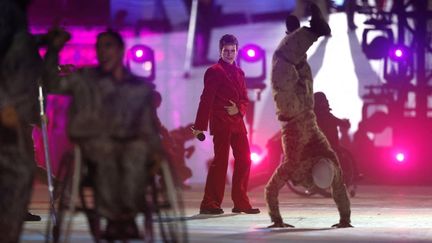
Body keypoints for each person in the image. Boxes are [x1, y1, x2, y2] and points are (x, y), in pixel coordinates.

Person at [44, 30, 165, 239]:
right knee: (106, 151)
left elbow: (147, 124)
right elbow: (51, 83)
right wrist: (54, 50)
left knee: (136, 152)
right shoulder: (85, 78)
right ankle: (114, 218)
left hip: (129, 142)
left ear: (120, 50)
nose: (102, 52)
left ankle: (127, 215)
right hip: (94, 141)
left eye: (107, 46)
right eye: (98, 47)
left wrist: (156, 152)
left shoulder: (138, 87)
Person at [265, 6, 352, 228]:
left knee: (297, 66)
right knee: (282, 60)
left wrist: (345, 219)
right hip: (292, 111)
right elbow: (271, 189)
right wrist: (277, 220)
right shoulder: (311, 162)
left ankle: (295, 36)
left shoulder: (327, 157)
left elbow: (339, 189)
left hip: (306, 107)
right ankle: (313, 32)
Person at [192, 34, 260, 215]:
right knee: (220, 162)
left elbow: (245, 99)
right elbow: (206, 100)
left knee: (245, 159)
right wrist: (199, 125)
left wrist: (238, 109)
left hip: (237, 123)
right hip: (221, 123)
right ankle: (209, 203)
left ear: (237, 51)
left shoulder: (240, 72)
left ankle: (241, 202)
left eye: (232, 51)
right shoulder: (214, 71)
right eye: (226, 51)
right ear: (220, 51)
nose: (229, 54)